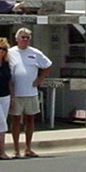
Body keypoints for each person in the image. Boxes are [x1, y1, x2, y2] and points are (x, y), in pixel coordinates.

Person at [6, 27, 51, 158]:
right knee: (15, 121)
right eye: (22, 37)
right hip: (16, 93)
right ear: (16, 38)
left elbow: (47, 66)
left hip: (31, 93)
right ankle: (16, 149)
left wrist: (40, 79)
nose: (25, 40)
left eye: (27, 38)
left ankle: (28, 148)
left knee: (30, 120)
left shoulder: (35, 53)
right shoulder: (10, 52)